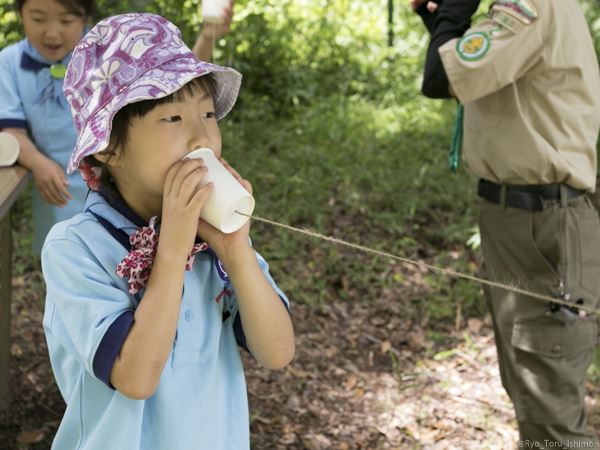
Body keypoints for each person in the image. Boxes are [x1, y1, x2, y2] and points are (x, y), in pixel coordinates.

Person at [41, 12, 295, 450]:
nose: (202, 138)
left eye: (209, 114)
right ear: (108, 147)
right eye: (173, 118)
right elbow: (136, 377)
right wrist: (174, 249)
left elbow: (277, 352)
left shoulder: (214, 237)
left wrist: (236, 250)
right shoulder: (75, 248)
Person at [412, 0, 600, 446]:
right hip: (524, 220)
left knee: (550, 416)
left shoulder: (531, 5)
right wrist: (440, 20)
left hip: (540, 223)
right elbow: (474, 77)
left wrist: (454, 12)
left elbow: (439, 79)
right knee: (532, 393)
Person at [0, 0, 230, 255]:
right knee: (72, 254)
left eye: (66, 21)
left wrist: (207, 38)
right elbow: (11, 130)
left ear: (85, 17)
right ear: (20, 13)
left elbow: (180, 92)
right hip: (59, 187)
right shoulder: (9, 62)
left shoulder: (109, 54)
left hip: (124, 184)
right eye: (39, 18)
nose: (52, 32)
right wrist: (38, 163)